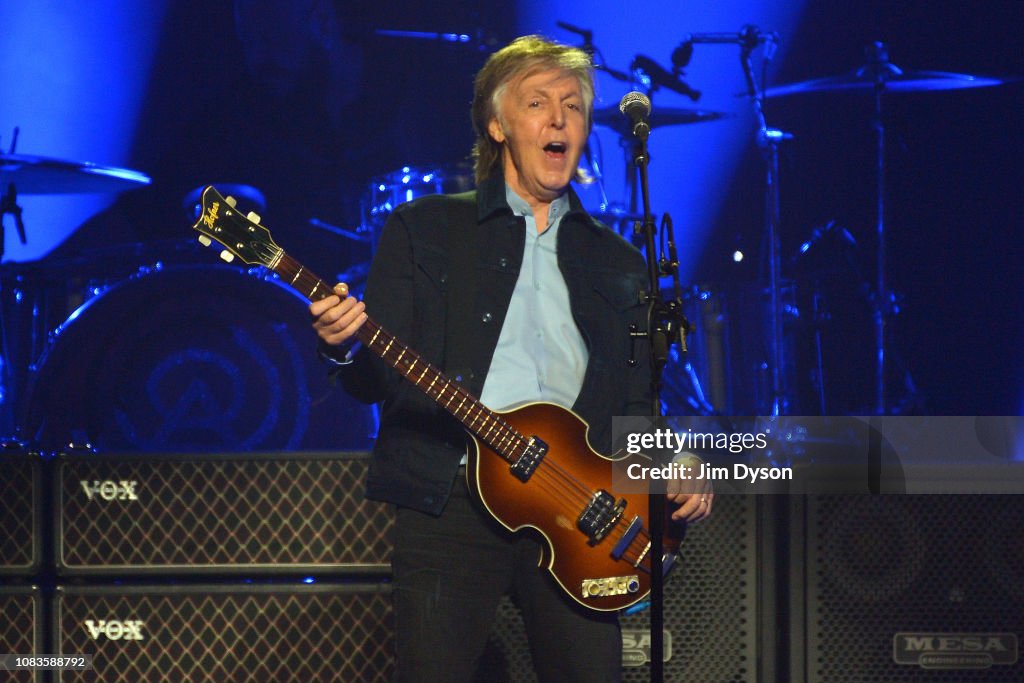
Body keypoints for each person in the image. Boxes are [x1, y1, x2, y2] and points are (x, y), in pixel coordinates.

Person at [310, 35, 713, 682]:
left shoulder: (620, 263)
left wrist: (673, 459)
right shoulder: (423, 229)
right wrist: (339, 343)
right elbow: (378, 377)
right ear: (497, 124)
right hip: (449, 496)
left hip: (577, 508)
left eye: (573, 106)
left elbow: (636, 404)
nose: (559, 119)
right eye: (537, 103)